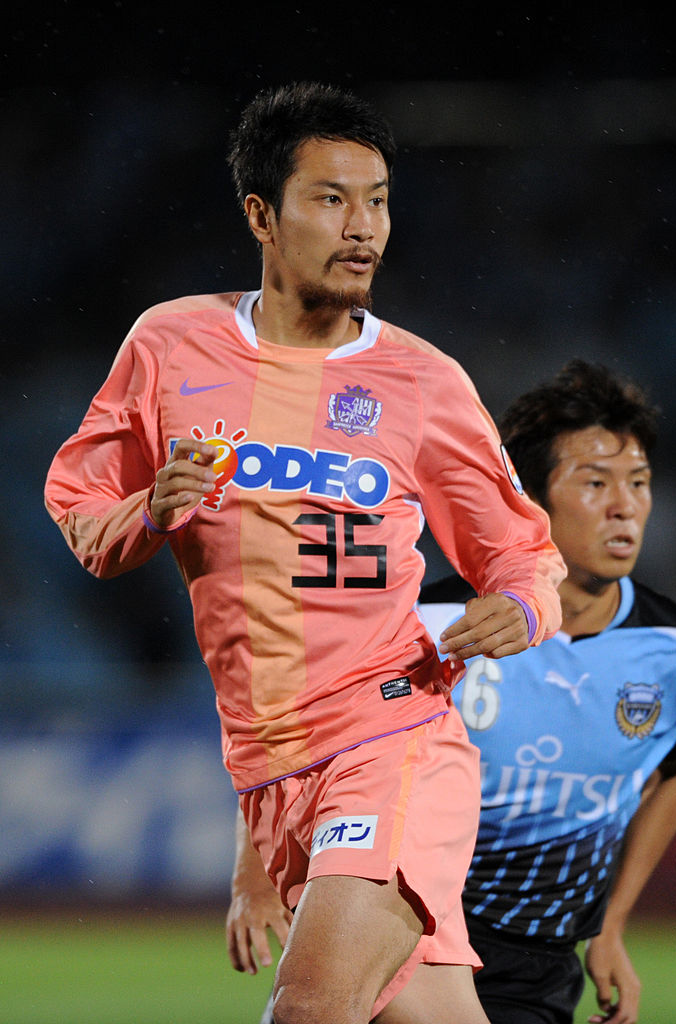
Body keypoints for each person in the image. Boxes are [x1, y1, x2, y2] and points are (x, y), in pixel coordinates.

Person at [44, 81, 565, 1024]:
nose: (364, 226)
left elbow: (523, 551)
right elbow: (82, 507)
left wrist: (521, 607)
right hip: (270, 774)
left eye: (378, 201)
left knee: (311, 1007)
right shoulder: (172, 344)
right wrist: (146, 513)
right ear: (261, 215)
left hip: (395, 742)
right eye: (331, 199)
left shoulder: (424, 381)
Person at [232, 359, 676, 1024]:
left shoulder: (671, 649)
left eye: (639, 483)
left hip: (541, 963)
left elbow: (674, 770)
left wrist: (611, 925)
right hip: (410, 928)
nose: (625, 506)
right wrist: (253, 876)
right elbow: (305, 725)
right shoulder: (427, 620)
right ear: (528, 500)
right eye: (595, 482)